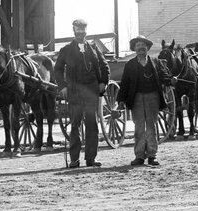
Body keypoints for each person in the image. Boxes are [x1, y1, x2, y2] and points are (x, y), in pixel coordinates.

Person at [53, 18, 109, 167]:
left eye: (83, 31)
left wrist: (103, 82)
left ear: (86, 32)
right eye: (78, 31)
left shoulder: (93, 48)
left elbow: (104, 66)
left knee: (92, 125)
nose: (80, 34)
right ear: (74, 32)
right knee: (75, 125)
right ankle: (74, 159)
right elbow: (57, 70)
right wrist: (63, 87)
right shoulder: (66, 50)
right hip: (75, 92)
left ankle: (91, 158)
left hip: (91, 92)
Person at [118, 35, 171, 167]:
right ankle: (139, 156)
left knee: (151, 127)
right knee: (139, 128)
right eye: (138, 46)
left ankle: (152, 156)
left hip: (153, 97)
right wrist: (121, 100)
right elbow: (124, 84)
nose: (141, 48)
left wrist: (171, 80)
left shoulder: (155, 62)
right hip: (136, 99)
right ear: (134, 49)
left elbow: (164, 76)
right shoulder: (130, 65)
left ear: (147, 48)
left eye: (143, 46)